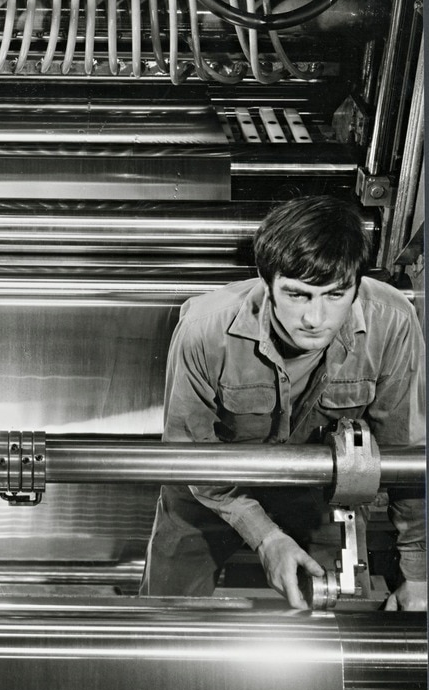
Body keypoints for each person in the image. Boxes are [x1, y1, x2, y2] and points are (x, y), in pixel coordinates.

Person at [141, 195, 426, 610]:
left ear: (357, 285)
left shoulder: (393, 321)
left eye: (334, 295)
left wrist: (419, 572)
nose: (315, 318)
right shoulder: (203, 329)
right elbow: (188, 456)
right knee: (161, 617)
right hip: (209, 489)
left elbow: (409, 455)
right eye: (297, 295)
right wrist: (266, 537)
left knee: (337, 626)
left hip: (322, 493)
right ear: (266, 280)